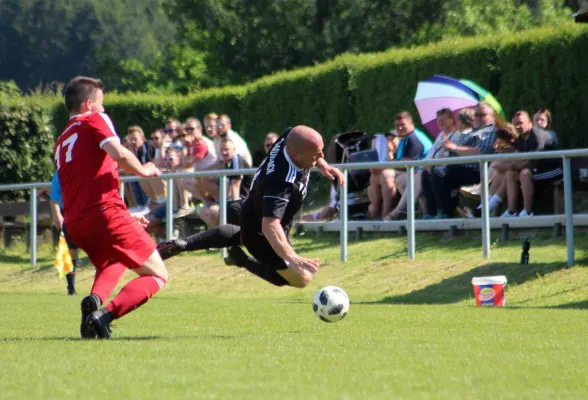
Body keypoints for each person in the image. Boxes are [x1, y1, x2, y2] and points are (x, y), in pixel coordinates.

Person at [157, 125, 344, 288]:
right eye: (316, 154)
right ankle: (241, 260)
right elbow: (270, 226)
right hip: (263, 228)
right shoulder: (282, 183)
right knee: (301, 279)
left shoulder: (290, 138)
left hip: (251, 205)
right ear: (295, 155)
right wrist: (293, 257)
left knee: (241, 231)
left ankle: (184, 243)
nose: (321, 156)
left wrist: (323, 165)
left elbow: (298, 137)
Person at [54, 76, 168, 339]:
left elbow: (86, 183)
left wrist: (123, 216)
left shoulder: (62, 141)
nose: (104, 110)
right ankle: (104, 315)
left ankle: (94, 301)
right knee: (158, 274)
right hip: (104, 214)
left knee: (112, 260)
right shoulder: (94, 119)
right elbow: (118, 152)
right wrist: (144, 169)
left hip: (77, 223)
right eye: (101, 104)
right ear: (88, 104)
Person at [198, 138, 253, 227]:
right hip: (235, 199)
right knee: (202, 211)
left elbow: (235, 187)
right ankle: (221, 234)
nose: (224, 152)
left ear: (234, 150)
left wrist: (233, 210)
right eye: (222, 150)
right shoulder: (227, 163)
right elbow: (227, 190)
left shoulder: (236, 160)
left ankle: (228, 233)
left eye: (226, 149)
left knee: (213, 211)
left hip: (244, 200)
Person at [50, 171, 79, 295]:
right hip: (67, 213)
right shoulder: (60, 172)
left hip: (85, 211)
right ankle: (71, 287)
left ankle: (101, 286)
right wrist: (57, 214)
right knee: (70, 250)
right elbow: (54, 196)